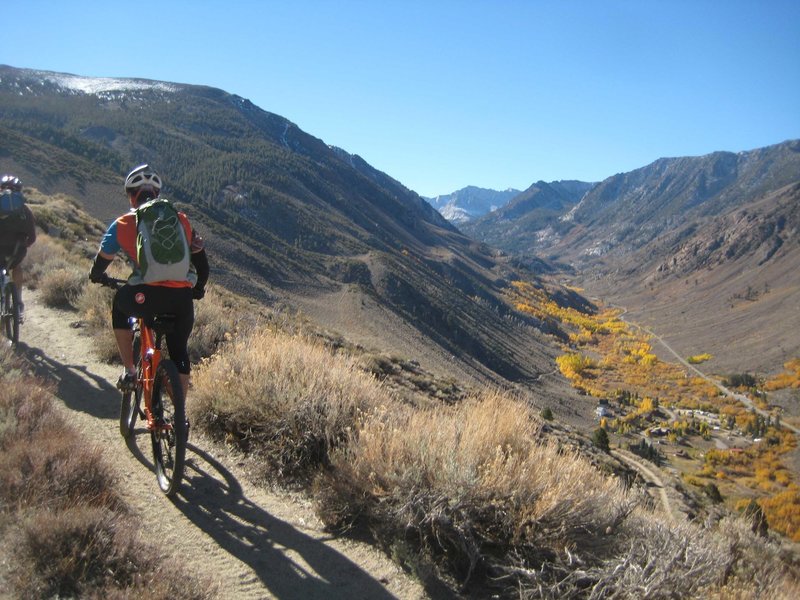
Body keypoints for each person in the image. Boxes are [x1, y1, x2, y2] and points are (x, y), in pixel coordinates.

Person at [89, 165, 209, 419]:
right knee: (179, 353)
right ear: (156, 194)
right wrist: (197, 289)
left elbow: (103, 258)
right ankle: (179, 418)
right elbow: (202, 263)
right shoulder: (181, 219)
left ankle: (131, 372)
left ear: (132, 196)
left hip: (145, 296)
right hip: (181, 299)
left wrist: (97, 275)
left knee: (120, 307)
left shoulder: (123, 223)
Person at [0, 175, 36, 319]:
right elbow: (32, 238)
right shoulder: (25, 210)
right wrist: (23, 246)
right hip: (16, 252)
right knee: (17, 267)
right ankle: (19, 301)